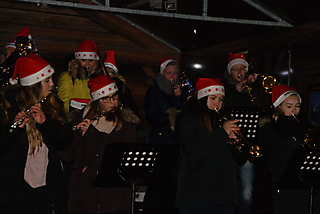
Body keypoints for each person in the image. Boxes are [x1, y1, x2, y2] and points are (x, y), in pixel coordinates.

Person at [0, 54, 73, 214]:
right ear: (33, 84)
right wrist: (14, 129)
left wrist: (46, 123)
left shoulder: (53, 104)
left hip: (47, 184)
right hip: (15, 186)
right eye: (47, 81)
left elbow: (65, 139)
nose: (52, 84)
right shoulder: (7, 105)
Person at [59, 74, 140, 214]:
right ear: (96, 100)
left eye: (114, 97)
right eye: (106, 99)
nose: (112, 102)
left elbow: (119, 152)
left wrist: (93, 134)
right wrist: (75, 135)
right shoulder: (81, 117)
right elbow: (68, 155)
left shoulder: (126, 122)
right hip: (84, 190)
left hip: (114, 192)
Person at [174, 77, 249, 214]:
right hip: (197, 193)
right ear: (202, 98)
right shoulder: (187, 118)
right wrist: (222, 133)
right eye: (213, 98)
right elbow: (192, 148)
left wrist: (237, 144)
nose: (217, 104)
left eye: (220, 100)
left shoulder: (223, 120)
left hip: (225, 194)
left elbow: (241, 159)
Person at [260, 84, 320, 214]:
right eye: (289, 106)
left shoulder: (304, 125)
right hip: (285, 188)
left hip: (307, 186)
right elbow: (275, 163)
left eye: (297, 106)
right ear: (278, 107)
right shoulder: (270, 129)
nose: (294, 110)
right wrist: (295, 140)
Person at [222, 52, 267, 214]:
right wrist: (235, 91)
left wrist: (255, 87)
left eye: (242, 68)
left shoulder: (252, 87)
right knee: (226, 187)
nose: (240, 72)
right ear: (229, 71)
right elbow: (223, 110)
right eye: (235, 69)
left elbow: (264, 109)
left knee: (247, 191)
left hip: (248, 144)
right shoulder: (224, 88)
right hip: (228, 144)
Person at [143, 58, 188, 214]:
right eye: (169, 73)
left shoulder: (181, 92)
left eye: (175, 73)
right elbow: (151, 114)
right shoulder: (154, 90)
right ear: (162, 73)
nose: (172, 76)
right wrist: (171, 116)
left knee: (173, 184)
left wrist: (179, 98)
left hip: (175, 142)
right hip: (160, 141)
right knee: (157, 183)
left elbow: (186, 115)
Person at [57, 39, 100, 114]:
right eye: (83, 60)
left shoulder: (98, 78)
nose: (87, 64)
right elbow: (65, 100)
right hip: (74, 116)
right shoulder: (67, 76)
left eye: (91, 60)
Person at [103, 50, 140, 117]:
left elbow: (128, 103)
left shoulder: (121, 86)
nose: (109, 74)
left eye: (111, 72)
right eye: (107, 71)